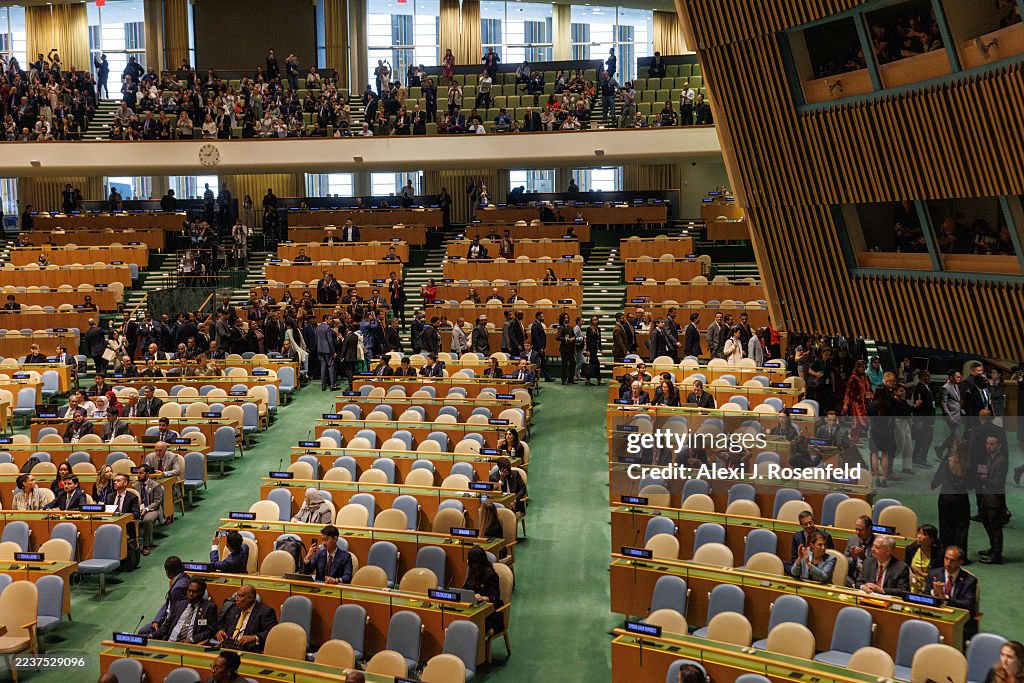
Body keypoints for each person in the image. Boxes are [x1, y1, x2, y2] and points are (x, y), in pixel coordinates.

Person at [931, 438, 972, 558]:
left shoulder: (946, 461)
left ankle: (945, 554)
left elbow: (938, 477)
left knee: (945, 526)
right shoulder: (969, 464)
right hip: (961, 500)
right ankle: (961, 556)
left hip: (945, 497)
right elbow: (970, 485)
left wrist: (933, 484)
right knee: (962, 527)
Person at [928, 545, 979, 639]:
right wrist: (934, 593)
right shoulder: (933, 574)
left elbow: (968, 604)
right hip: (936, 616)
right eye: (946, 559)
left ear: (961, 562)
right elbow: (924, 595)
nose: (948, 563)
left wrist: (945, 598)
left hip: (959, 621)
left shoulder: (970, 580)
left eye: (952, 560)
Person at [215, 584, 278, 652]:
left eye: (240, 596)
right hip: (229, 646)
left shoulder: (265, 612)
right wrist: (221, 631)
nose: (236, 599)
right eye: (237, 595)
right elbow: (225, 625)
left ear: (250, 598)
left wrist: (254, 637)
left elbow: (272, 632)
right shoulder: (234, 609)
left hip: (248, 649)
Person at [153, 577, 218, 644]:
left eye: (194, 592)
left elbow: (211, 630)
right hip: (170, 642)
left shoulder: (209, 607)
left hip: (189, 646)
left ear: (202, 593)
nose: (191, 594)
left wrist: (192, 639)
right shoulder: (179, 604)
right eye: (189, 591)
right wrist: (152, 635)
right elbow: (167, 626)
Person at [978, 433, 1008, 564]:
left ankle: (997, 555)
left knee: (995, 528)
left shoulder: (1001, 461)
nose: (988, 446)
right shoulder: (991, 457)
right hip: (987, 498)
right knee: (988, 524)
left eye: (992, 444)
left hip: (994, 501)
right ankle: (994, 549)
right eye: (987, 443)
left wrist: (983, 478)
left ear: (999, 445)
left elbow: (995, 483)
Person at [463, 546, 504, 633]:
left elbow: (495, 597)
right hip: (473, 609)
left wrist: (482, 598)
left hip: (491, 614)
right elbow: (466, 588)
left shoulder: (491, 574)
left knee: (471, 626)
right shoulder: (472, 571)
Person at [134, 465, 164, 555]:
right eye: (138, 473)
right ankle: (133, 544)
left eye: (141, 473)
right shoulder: (135, 486)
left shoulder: (156, 485)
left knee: (147, 519)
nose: (138, 475)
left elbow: (157, 502)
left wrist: (146, 509)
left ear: (147, 474)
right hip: (139, 509)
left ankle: (146, 545)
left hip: (153, 509)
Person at [905, 524, 942, 594]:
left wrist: (921, 573)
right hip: (912, 584)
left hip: (930, 588)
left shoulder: (939, 554)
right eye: (919, 533)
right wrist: (910, 573)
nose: (919, 536)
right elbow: (905, 566)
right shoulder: (911, 549)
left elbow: (940, 574)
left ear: (931, 539)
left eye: (923, 534)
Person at [844, 515, 875, 587]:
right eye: (856, 529)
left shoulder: (877, 543)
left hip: (868, 580)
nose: (857, 532)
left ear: (869, 528)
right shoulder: (852, 540)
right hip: (852, 578)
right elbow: (845, 563)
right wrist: (853, 558)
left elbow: (876, 567)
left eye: (861, 529)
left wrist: (863, 558)